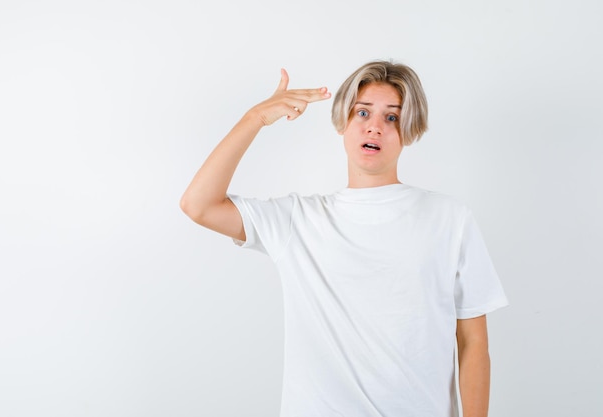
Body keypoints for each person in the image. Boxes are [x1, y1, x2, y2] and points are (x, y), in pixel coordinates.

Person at [180, 60, 508, 417]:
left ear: (409, 130)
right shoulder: (298, 221)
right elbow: (199, 205)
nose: (375, 128)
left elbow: (473, 341)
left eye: (392, 117)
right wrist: (254, 118)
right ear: (343, 122)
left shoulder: (449, 218)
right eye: (363, 112)